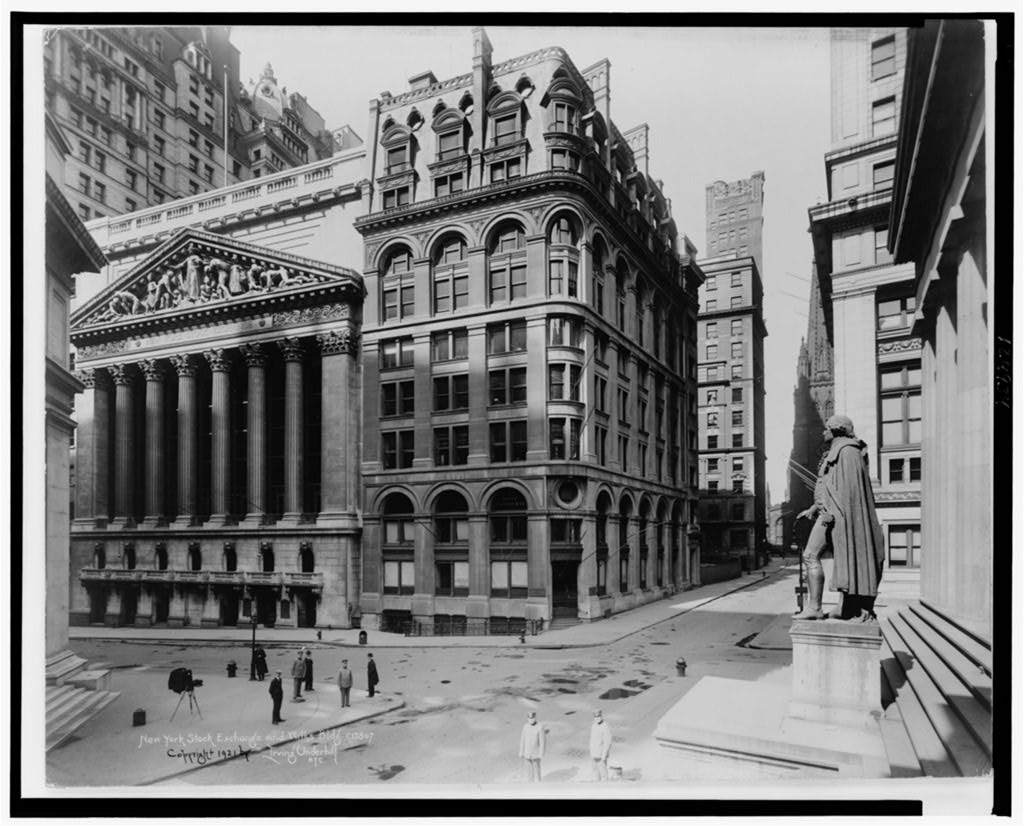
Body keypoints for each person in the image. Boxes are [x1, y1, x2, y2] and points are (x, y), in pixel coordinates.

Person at [795, 414, 885, 622]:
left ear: (837, 429)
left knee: (810, 555)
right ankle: (831, 607)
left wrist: (830, 512)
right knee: (814, 556)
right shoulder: (839, 451)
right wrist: (813, 508)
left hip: (835, 516)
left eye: (827, 428)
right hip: (829, 513)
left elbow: (851, 493)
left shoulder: (847, 451)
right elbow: (830, 486)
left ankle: (819, 608)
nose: (823, 432)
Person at [518, 711, 545, 782]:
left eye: (532, 718)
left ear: (535, 718)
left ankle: (539, 785)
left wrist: (541, 753)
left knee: (537, 771)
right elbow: (522, 739)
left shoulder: (540, 727)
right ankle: (530, 786)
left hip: (536, 753)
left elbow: (542, 742)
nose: (531, 720)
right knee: (529, 772)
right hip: (527, 753)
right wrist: (521, 751)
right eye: (529, 718)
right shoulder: (525, 726)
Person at [589, 709, 612, 781]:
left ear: (601, 716)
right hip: (594, 753)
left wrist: (604, 754)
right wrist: (591, 751)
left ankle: (604, 788)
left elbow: (607, 741)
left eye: (598, 716)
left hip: (601, 754)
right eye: (595, 717)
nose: (597, 718)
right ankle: (596, 787)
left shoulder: (605, 726)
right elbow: (592, 739)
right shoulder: (593, 725)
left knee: (603, 774)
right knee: (595, 772)